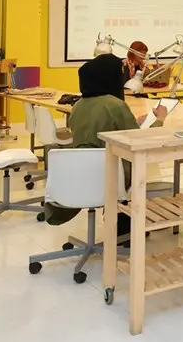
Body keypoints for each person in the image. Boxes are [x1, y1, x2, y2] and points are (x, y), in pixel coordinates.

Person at [44, 54, 167, 241]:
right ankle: (126, 220)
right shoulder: (116, 106)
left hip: (80, 175)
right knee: (141, 165)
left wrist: (135, 122)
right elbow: (140, 141)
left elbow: (102, 132)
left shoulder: (78, 106)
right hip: (110, 176)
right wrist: (160, 119)